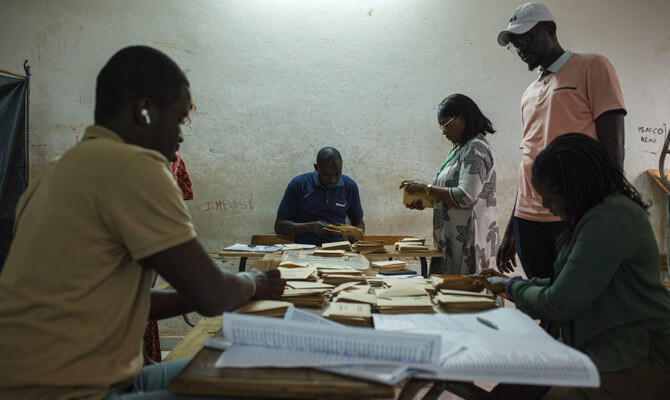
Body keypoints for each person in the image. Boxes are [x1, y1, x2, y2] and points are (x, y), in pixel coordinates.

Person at [0, 46, 285, 400]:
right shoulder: (135, 166)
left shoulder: (56, 173)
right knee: (267, 384)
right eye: (179, 120)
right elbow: (214, 296)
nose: (180, 136)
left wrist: (204, 292)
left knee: (244, 366)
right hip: (69, 392)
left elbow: (121, 299)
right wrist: (252, 282)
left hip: (39, 383)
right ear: (145, 111)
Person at [477, 134, 670, 399]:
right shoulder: (593, 216)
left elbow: (560, 302)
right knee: (512, 388)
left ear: (576, 185)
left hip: (634, 356)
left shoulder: (612, 218)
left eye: (551, 196)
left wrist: (514, 287)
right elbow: (567, 283)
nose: (546, 205)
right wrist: (510, 286)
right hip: (599, 345)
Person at [495, 2, 627, 280]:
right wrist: (511, 227)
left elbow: (613, 149)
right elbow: (529, 160)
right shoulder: (529, 93)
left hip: (573, 213)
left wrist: (600, 215)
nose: (521, 48)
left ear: (550, 29)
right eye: (515, 43)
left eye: (527, 38)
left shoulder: (592, 66)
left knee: (576, 304)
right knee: (543, 305)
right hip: (528, 219)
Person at [401, 94, 499, 275]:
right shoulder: (460, 148)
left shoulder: (476, 149)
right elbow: (450, 193)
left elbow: (466, 197)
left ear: (461, 119)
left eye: (445, 124)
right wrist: (426, 201)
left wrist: (426, 189)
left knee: (466, 295)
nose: (443, 131)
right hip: (452, 239)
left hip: (469, 238)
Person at [274, 147, 365, 246]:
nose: (333, 180)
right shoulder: (299, 184)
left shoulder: (349, 186)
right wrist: (311, 227)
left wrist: (355, 238)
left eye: (337, 174)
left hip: (340, 249)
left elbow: (359, 222)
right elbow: (279, 226)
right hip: (306, 249)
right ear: (317, 168)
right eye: (327, 175)